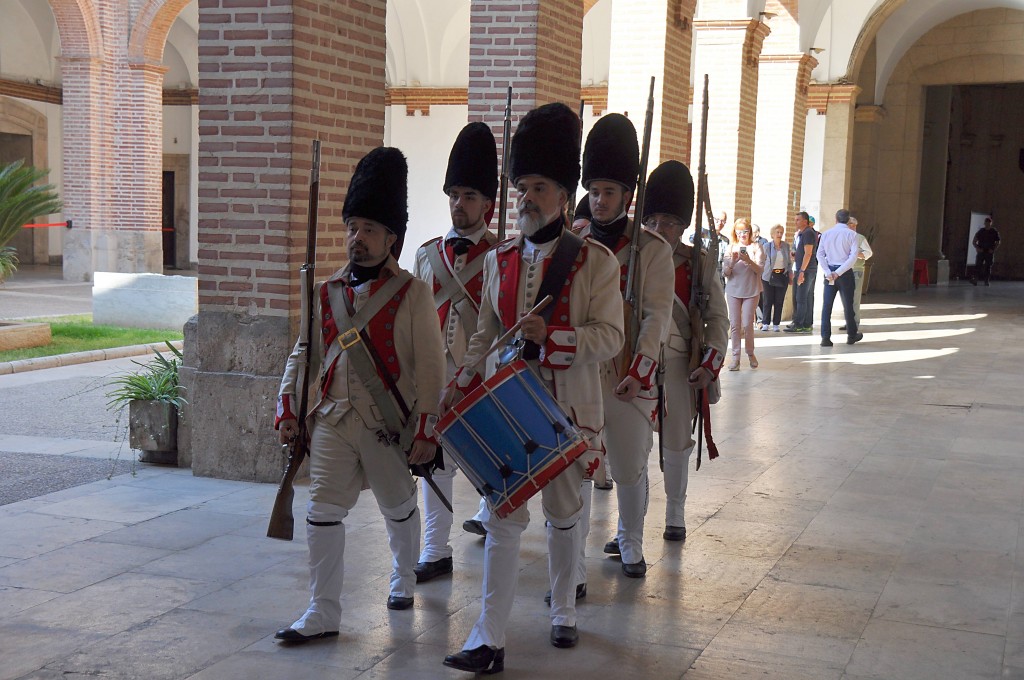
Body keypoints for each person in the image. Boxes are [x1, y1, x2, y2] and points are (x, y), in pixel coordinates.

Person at [441, 103, 624, 674]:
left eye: (539, 187)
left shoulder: (594, 263)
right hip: (509, 404)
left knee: (565, 514)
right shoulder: (498, 260)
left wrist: (556, 338)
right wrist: (462, 380)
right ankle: (488, 637)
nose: (527, 197)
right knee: (502, 519)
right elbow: (485, 334)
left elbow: (612, 336)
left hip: (566, 408)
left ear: (564, 195)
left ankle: (563, 609)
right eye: (522, 187)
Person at [273, 147, 446, 644]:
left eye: (370, 228)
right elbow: (305, 352)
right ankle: (322, 610)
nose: (358, 237)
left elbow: (431, 368)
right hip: (332, 418)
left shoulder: (412, 293)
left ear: (392, 238)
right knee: (322, 512)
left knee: (398, 505)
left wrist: (426, 429)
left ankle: (403, 576)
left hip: (386, 422)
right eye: (353, 226)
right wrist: (289, 405)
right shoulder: (326, 291)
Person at [576, 113, 673, 581]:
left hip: (627, 372)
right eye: (594, 191)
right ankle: (571, 556)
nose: (599, 200)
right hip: (580, 372)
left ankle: (630, 539)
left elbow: (657, 315)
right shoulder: (572, 244)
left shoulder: (652, 249)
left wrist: (642, 367)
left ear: (627, 196)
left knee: (630, 464)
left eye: (609, 192)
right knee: (576, 466)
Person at [412, 122, 499, 582]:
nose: (459, 204)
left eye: (469, 196)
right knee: (435, 463)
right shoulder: (426, 255)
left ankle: (493, 523)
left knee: (491, 462)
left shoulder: (503, 255)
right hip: (435, 376)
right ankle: (434, 549)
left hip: (482, 375)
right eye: (454, 195)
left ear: (488, 204)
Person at [641, 160, 728, 543]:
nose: (659, 228)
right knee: (633, 445)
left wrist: (709, 364)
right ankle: (631, 522)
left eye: (669, 222)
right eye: (653, 220)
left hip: (679, 363)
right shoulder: (633, 258)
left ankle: (675, 513)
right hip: (637, 362)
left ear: (683, 226)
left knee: (676, 440)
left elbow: (718, 319)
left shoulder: (698, 264)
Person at [722, 218, 764, 370]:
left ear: (750, 232)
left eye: (745, 231)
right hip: (733, 290)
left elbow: (760, 270)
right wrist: (733, 262)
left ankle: (750, 353)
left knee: (747, 324)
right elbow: (725, 272)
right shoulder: (730, 247)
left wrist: (748, 260)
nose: (742, 235)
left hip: (751, 290)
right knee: (735, 325)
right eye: (739, 232)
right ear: (735, 233)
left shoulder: (756, 247)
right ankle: (735, 358)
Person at [817, 208, 863, 346]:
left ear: (836, 219)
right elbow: (853, 257)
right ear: (848, 220)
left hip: (830, 273)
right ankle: (851, 335)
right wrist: (839, 272)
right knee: (848, 305)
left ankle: (825, 337)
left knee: (827, 306)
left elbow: (820, 254)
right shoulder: (852, 234)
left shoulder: (826, 234)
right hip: (845, 273)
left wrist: (828, 271)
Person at [784, 211, 817, 333]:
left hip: (806, 270)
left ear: (805, 221)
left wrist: (802, 271)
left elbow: (808, 253)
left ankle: (798, 324)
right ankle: (806, 323)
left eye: (798, 220)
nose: (795, 222)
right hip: (806, 269)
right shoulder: (803, 233)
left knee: (801, 297)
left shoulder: (808, 233)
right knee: (806, 297)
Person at [839, 216, 873, 331]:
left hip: (856, 271)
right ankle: (848, 322)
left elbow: (868, 253)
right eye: (850, 224)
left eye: (854, 225)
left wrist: (856, 254)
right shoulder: (841, 237)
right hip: (843, 271)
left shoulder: (860, 238)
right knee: (845, 298)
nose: (852, 227)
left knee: (854, 298)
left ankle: (854, 323)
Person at [760, 224, 792, 332]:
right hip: (768, 276)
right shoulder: (767, 246)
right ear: (772, 234)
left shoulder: (786, 246)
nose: (779, 234)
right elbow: (762, 261)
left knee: (779, 300)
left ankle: (776, 324)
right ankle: (765, 322)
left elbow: (789, 262)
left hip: (782, 275)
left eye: (781, 232)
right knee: (767, 300)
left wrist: (790, 274)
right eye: (777, 232)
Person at [971, 217, 1000, 286]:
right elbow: (974, 241)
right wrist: (978, 248)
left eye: (989, 223)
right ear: (984, 223)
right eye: (986, 223)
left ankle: (986, 281)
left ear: (991, 223)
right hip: (981, 251)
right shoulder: (981, 231)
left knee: (988, 267)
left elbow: (998, 242)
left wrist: (993, 249)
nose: (987, 224)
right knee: (978, 266)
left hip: (989, 252)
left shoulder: (994, 232)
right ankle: (975, 280)